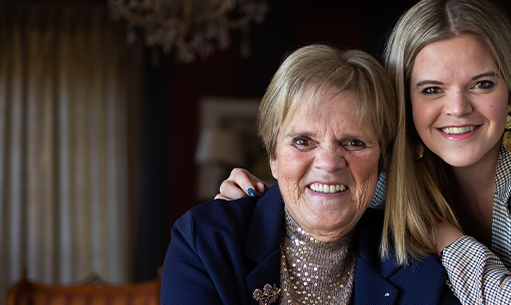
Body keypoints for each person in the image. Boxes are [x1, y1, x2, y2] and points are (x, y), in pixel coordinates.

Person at [215, 0, 511, 303]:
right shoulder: (392, 155)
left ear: (510, 88)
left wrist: (443, 236)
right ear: (404, 98)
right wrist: (261, 194)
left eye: (482, 84)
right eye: (431, 89)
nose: (457, 109)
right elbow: (330, 180)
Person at [161, 44, 461, 305]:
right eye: (303, 141)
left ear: (381, 162)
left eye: (354, 142)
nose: (329, 163)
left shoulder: (415, 265)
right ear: (273, 156)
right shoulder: (206, 242)